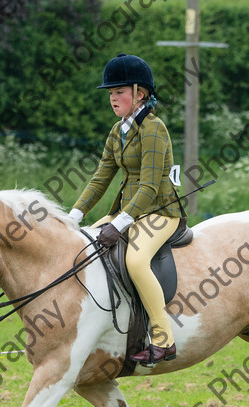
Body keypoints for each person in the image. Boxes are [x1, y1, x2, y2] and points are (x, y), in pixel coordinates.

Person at [68, 53, 185, 364]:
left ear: (140, 93)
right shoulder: (117, 131)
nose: (113, 98)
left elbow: (148, 186)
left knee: (135, 261)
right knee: (81, 245)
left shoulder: (154, 129)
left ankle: (163, 338)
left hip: (160, 211)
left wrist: (118, 225)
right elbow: (101, 177)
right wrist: (74, 216)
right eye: (110, 93)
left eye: (119, 92)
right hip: (128, 210)